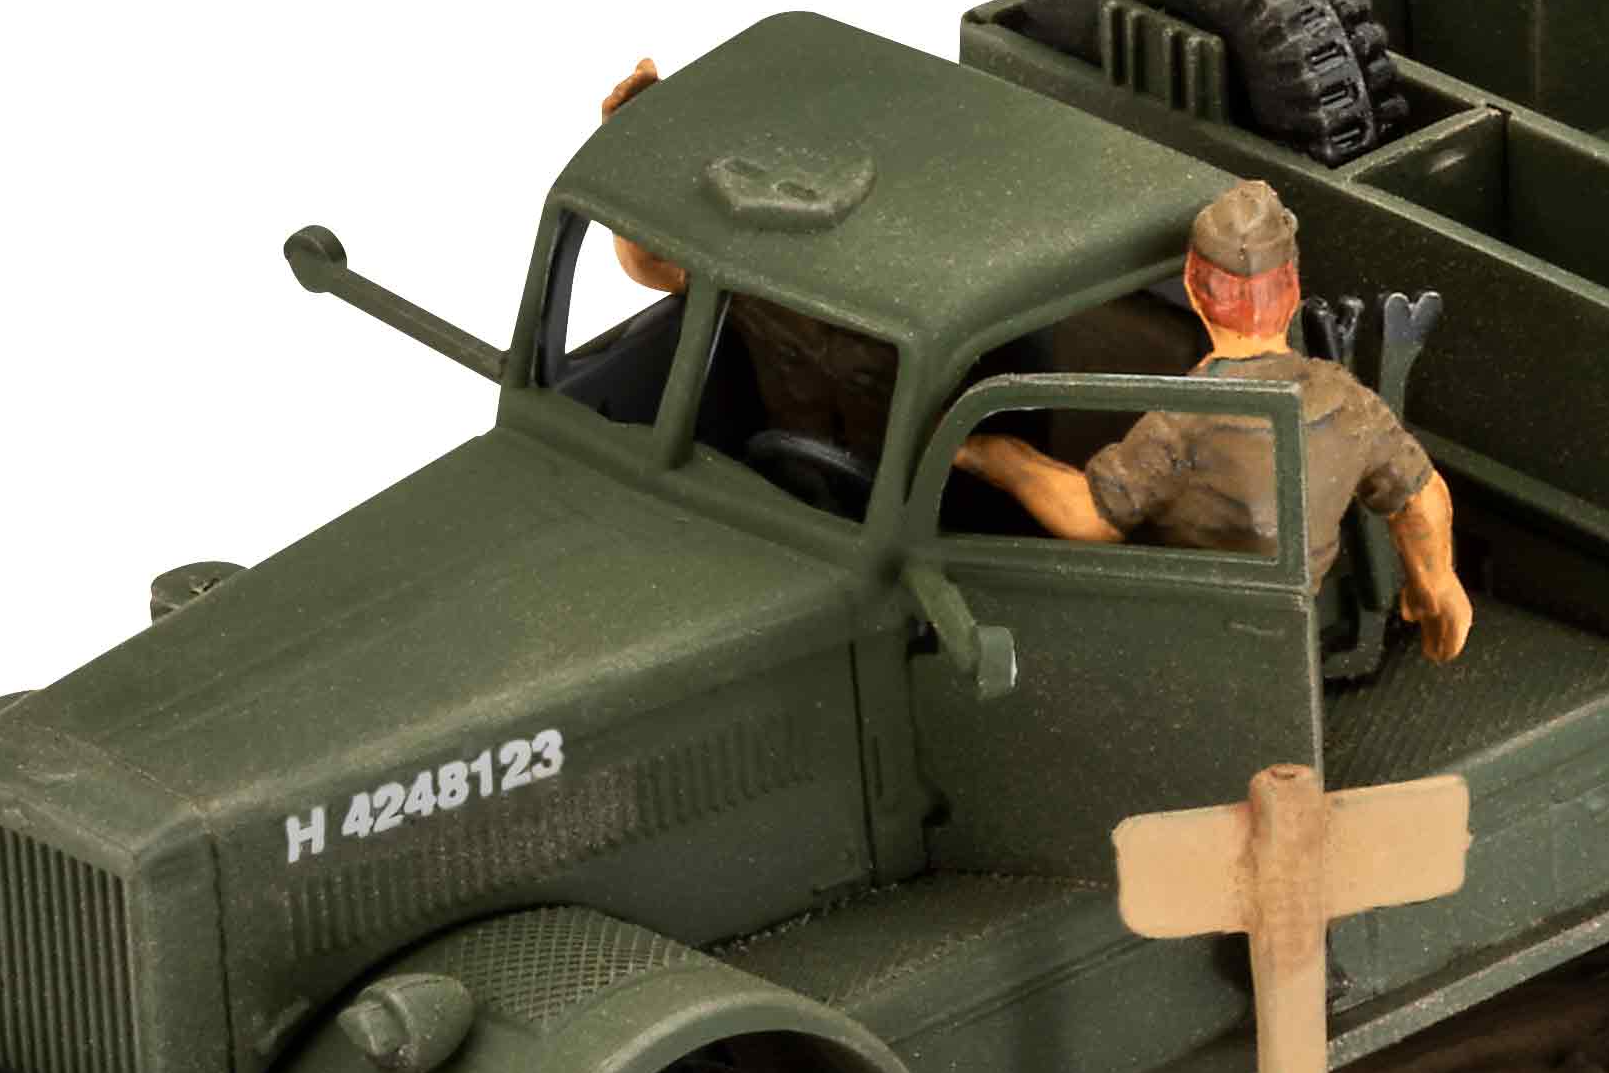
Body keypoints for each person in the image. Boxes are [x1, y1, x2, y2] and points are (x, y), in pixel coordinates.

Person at [953, 181, 1471, 658]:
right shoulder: (1345, 398)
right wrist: (1436, 586)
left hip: (1190, 638)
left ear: (1195, 288)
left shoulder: (1186, 419)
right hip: (1291, 630)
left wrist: (996, 456)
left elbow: (1090, 518)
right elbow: (1421, 494)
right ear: (1291, 290)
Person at [595, 56, 901, 462]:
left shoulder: (901, 323)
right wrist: (629, 141)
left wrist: (975, 456)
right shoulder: (758, 296)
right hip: (783, 471)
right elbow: (648, 263)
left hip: (889, 488)